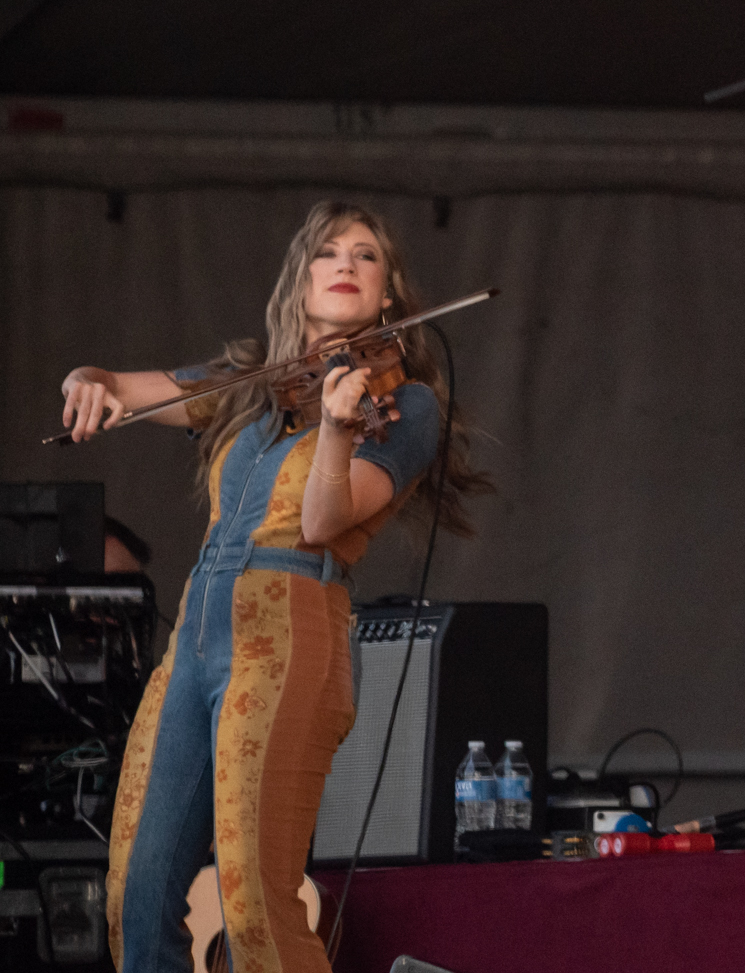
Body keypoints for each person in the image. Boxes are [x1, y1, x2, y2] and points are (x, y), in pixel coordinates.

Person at [58, 202, 484, 973]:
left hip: (289, 631)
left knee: (254, 900)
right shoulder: (253, 384)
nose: (346, 264)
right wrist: (87, 381)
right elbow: (121, 385)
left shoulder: (407, 403)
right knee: (136, 888)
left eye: (366, 255)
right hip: (195, 635)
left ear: (388, 295)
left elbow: (323, 520)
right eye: (328, 252)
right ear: (301, 283)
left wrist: (334, 426)